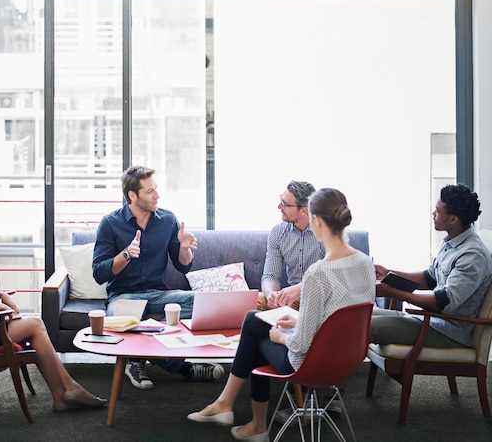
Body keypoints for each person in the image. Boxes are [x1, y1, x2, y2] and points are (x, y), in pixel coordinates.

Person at [187, 188, 376, 442]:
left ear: (316, 220)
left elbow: (301, 344)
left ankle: (252, 423)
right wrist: (298, 320)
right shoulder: (365, 263)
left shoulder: (318, 274)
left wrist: (281, 337)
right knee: (255, 320)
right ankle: (232, 410)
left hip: (311, 363)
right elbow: (342, 317)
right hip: (348, 360)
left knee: (255, 330)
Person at [0, 213, 107, 413]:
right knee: (35, 325)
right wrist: (0, 307)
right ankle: (67, 390)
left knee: (35, 325)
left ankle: (64, 393)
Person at [92, 164, 224, 390]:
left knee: (203, 303)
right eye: (150, 191)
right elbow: (99, 273)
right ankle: (183, 367)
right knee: (123, 319)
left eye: (156, 189)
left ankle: (136, 356)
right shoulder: (110, 223)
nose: (157, 195)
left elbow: (183, 267)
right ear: (132, 195)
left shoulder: (167, 220)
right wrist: (125, 255)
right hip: (123, 296)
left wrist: (184, 248)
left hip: (159, 295)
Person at [371, 183, 492, 348]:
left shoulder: (472, 255)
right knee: (360, 316)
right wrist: (388, 272)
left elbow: (442, 302)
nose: (433, 213)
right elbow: (429, 279)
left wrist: (393, 292)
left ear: (453, 219)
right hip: (431, 321)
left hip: (448, 332)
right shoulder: (452, 242)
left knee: (363, 327)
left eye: (438, 210)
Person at [260, 180, 324, 311]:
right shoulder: (278, 232)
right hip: (290, 299)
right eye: (281, 200)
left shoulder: (326, 232)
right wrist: (271, 295)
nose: (279, 206)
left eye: (285, 204)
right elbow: (270, 276)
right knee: (254, 303)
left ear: (304, 211)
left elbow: (333, 274)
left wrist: (299, 289)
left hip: (320, 298)